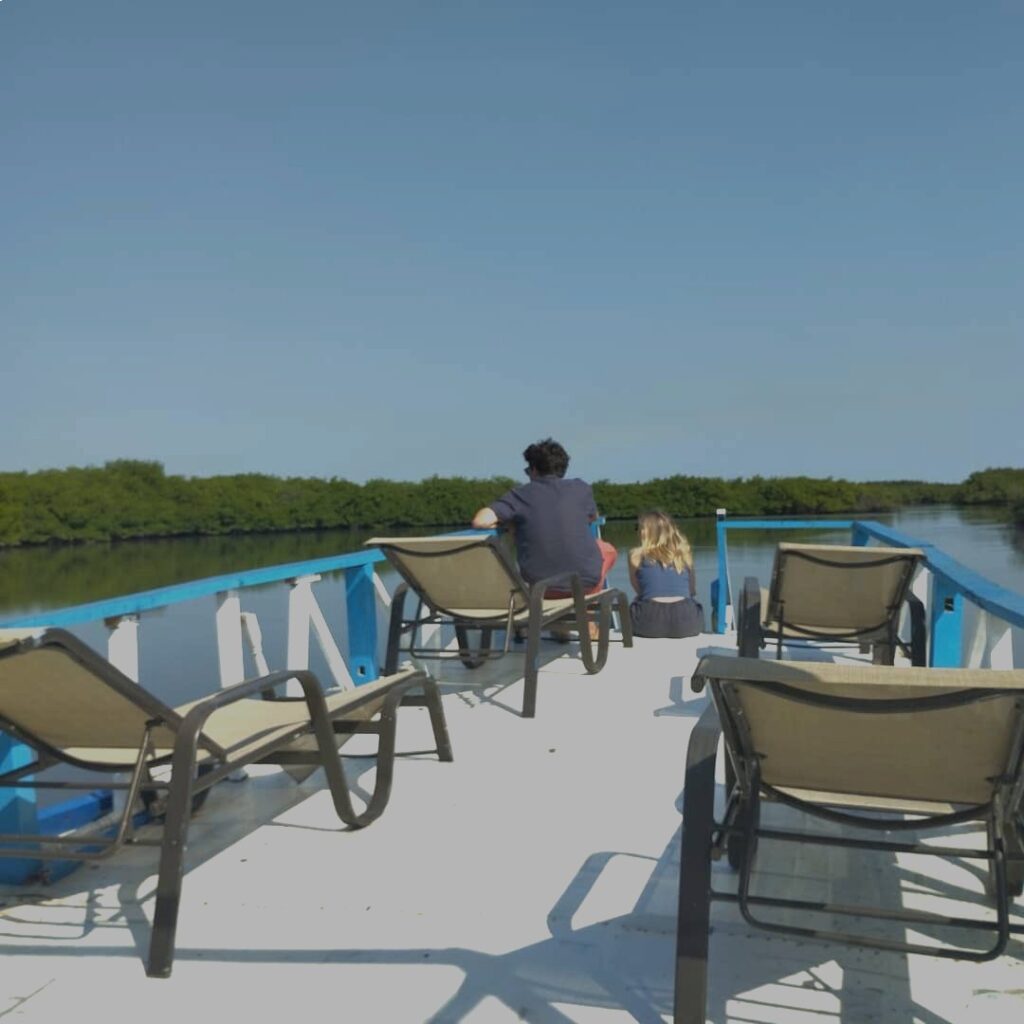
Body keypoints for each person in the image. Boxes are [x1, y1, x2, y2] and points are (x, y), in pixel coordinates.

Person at [471, 438, 617, 596]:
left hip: (540, 590)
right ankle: (589, 608)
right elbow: (592, 517)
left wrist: (509, 525)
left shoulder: (520, 495)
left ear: (534, 469)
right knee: (607, 549)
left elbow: (480, 520)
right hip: (585, 586)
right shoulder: (580, 488)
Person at [627, 509, 704, 638]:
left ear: (645, 532)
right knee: (695, 606)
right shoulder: (684, 553)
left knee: (635, 605)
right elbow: (691, 590)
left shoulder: (636, 555)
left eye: (638, 528)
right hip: (686, 622)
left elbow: (640, 591)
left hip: (649, 622)